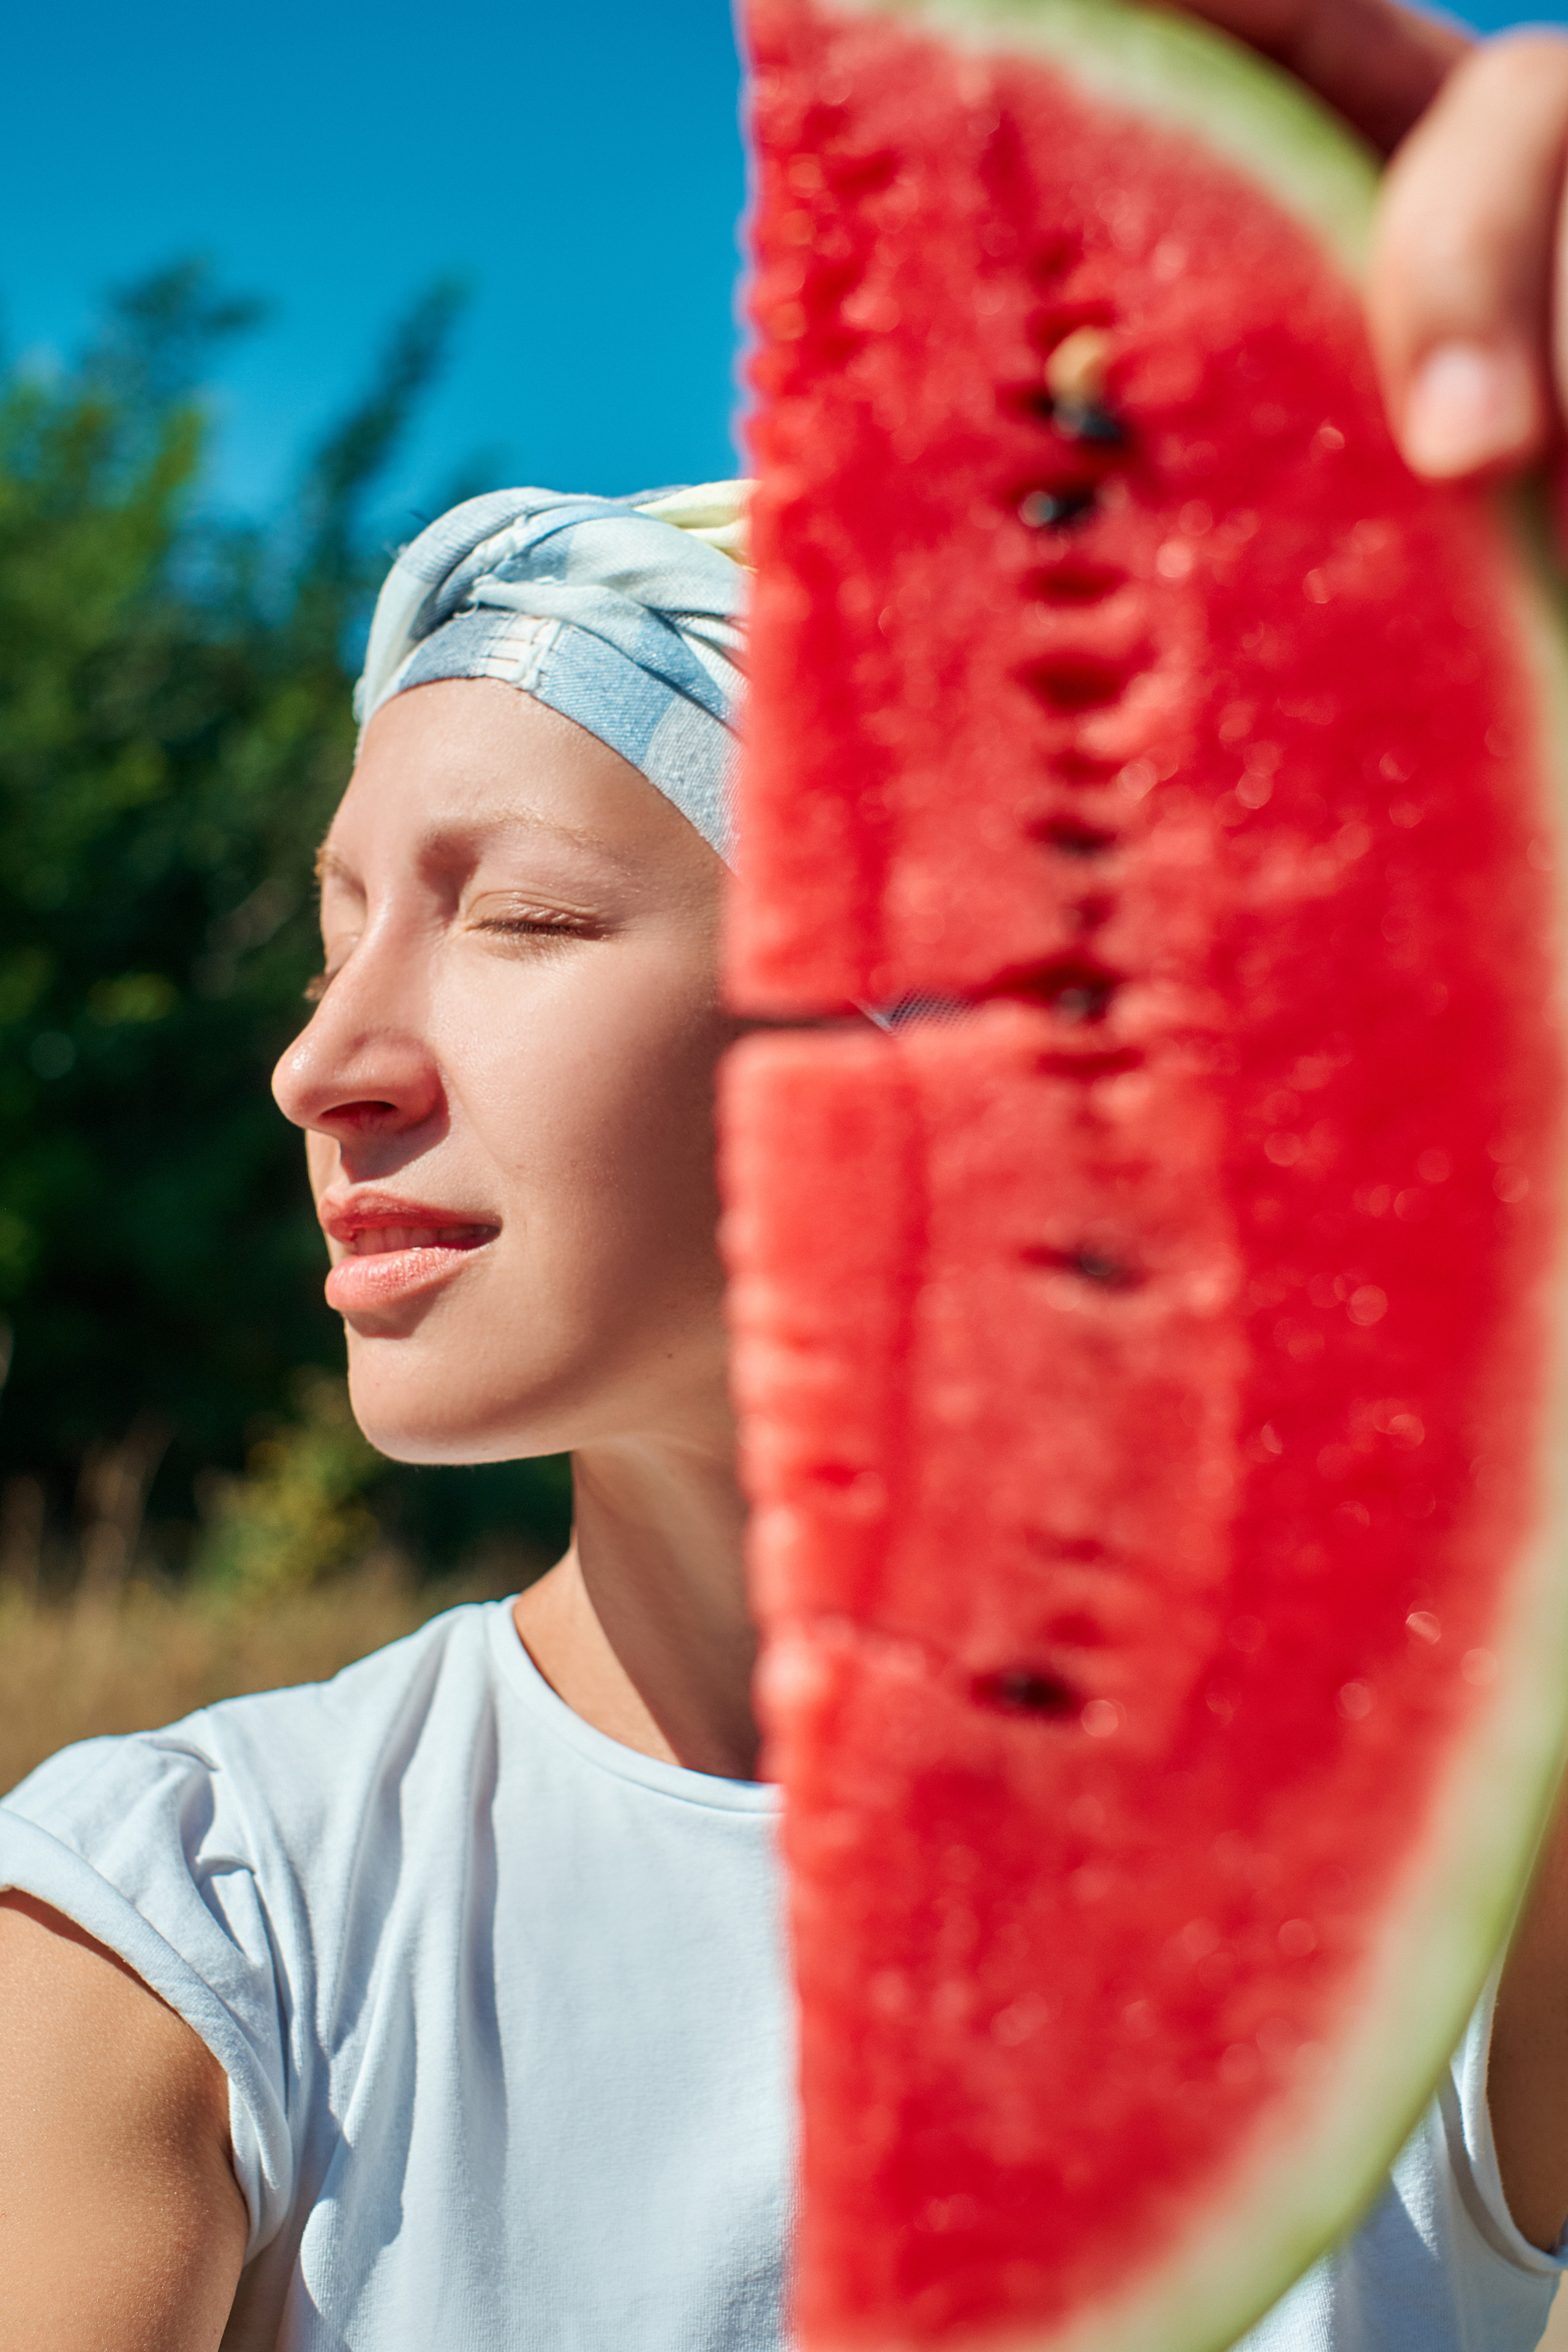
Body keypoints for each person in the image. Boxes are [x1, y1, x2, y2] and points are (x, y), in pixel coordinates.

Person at [5, 5, 1568, 2346]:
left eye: (514, 916)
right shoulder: (190, 1929)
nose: (323, 1063)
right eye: (338, 929)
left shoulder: (1450, 1849)